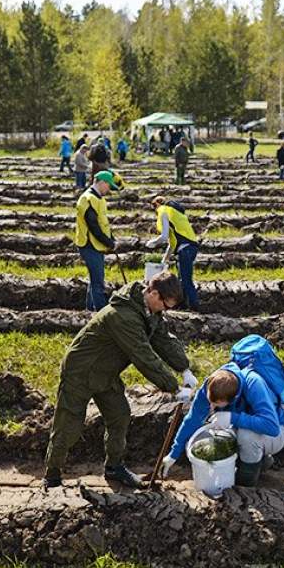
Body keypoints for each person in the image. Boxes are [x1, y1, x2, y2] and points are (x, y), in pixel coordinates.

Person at [42, 271, 198, 490]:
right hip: (81, 370)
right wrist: (172, 387)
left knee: (120, 415)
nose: (166, 310)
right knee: (68, 425)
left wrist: (184, 368)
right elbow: (142, 354)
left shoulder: (149, 311)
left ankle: (114, 467)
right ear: (152, 292)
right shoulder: (122, 316)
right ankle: (52, 476)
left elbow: (163, 339)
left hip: (106, 372)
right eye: (165, 304)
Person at [160, 335, 284, 488]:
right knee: (213, 433)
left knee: (246, 436)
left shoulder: (255, 384)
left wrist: (232, 417)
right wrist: (173, 454)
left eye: (216, 405)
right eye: (211, 402)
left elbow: (272, 427)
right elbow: (192, 419)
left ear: (233, 398)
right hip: (247, 426)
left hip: (275, 433)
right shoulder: (212, 383)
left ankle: (245, 485)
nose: (212, 407)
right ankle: (260, 461)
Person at [75, 170, 123, 311]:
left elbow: (103, 224)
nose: (109, 190)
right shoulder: (87, 199)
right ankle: (101, 313)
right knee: (98, 282)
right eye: (109, 186)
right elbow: (94, 227)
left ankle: (89, 310)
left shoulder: (98, 199)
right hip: (89, 245)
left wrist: (111, 239)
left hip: (96, 244)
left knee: (95, 279)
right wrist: (110, 243)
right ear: (102, 182)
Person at [147, 196, 199, 310]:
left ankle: (194, 307)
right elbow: (173, 242)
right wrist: (164, 261)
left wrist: (153, 242)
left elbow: (164, 236)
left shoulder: (163, 211)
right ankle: (184, 306)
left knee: (185, 281)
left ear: (156, 205)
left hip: (185, 249)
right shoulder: (175, 214)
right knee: (183, 279)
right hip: (191, 247)